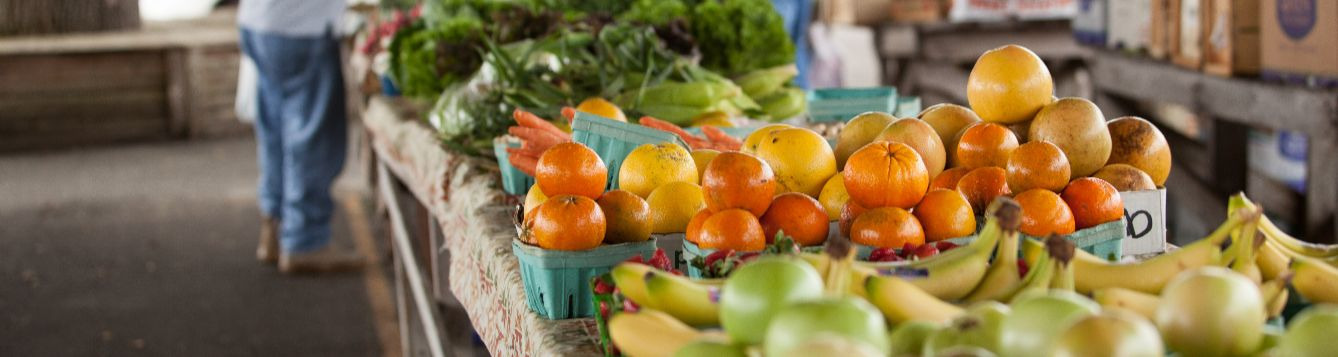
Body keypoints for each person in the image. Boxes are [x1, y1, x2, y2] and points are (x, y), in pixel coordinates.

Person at [238, 0, 363, 273]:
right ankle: (305, 241)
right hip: (301, 29)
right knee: (312, 138)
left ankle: (274, 225)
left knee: (275, 132)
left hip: (258, 23)